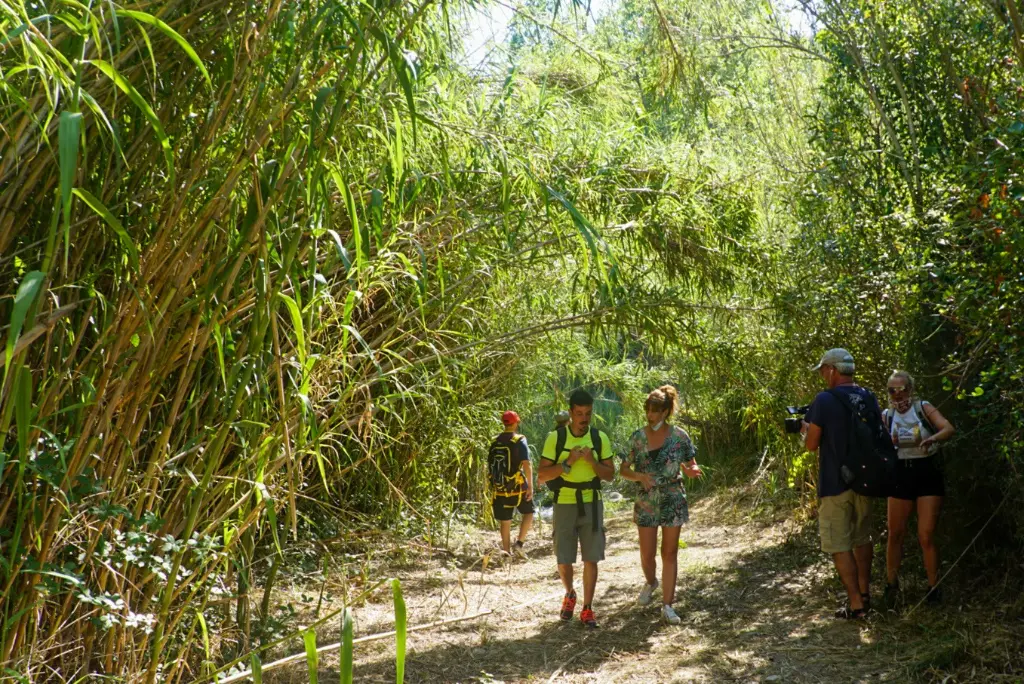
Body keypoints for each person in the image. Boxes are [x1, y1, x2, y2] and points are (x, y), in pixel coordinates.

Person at [801, 348, 882, 619]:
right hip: (865, 480)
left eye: (824, 370)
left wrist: (804, 430)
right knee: (862, 537)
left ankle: (856, 604)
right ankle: (865, 592)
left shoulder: (824, 400)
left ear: (833, 370)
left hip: (836, 482)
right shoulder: (868, 396)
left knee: (839, 543)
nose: (823, 375)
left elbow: (811, 444)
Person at [619, 385, 702, 625]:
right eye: (647, 410)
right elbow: (623, 469)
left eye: (655, 410)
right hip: (646, 501)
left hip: (673, 497)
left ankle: (668, 605)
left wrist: (692, 469)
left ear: (665, 411)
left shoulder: (680, 436)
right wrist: (639, 477)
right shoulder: (637, 437)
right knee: (646, 553)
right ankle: (651, 582)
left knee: (670, 552)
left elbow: (690, 464)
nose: (650, 414)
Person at [536, 389, 615, 628]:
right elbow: (541, 475)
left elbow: (610, 475)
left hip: (592, 501)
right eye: (579, 414)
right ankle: (570, 593)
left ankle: (588, 608)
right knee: (564, 558)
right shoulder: (556, 438)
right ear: (570, 413)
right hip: (564, 501)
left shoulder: (600, 438)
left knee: (592, 557)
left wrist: (592, 462)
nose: (584, 419)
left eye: (588, 414)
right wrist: (568, 462)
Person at [882, 371, 955, 607]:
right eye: (893, 390)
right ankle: (891, 585)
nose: (898, 394)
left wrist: (933, 439)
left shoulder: (923, 407)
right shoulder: (887, 415)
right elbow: (878, 443)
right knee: (895, 533)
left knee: (926, 534)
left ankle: (933, 587)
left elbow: (948, 428)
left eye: (902, 389)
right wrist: (887, 445)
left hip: (926, 472)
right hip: (900, 472)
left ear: (910, 389)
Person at [488, 411, 534, 560]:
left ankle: (506, 553)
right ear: (515, 423)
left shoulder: (495, 442)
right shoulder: (519, 440)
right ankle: (519, 544)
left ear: (504, 423)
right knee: (529, 512)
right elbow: (527, 464)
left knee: (505, 521)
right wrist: (530, 486)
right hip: (517, 487)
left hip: (500, 488)